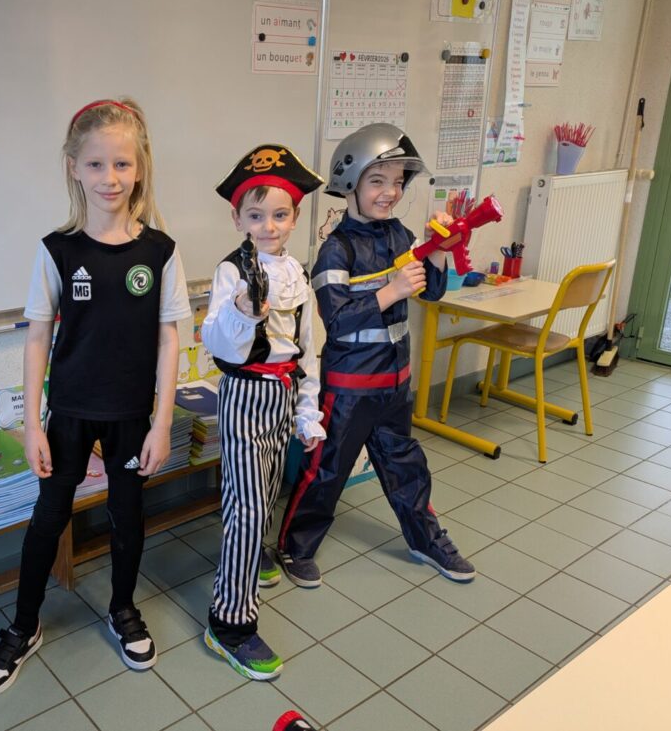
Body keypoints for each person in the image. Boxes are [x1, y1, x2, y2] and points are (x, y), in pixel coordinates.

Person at [0, 98, 191, 697]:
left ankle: (123, 609)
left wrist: (161, 422)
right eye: (95, 164)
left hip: (132, 415)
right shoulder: (58, 250)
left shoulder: (161, 251)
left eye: (122, 164)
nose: (109, 178)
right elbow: (37, 338)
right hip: (68, 413)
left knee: (128, 515)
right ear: (73, 167)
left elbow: (169, 338)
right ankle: (23, 626)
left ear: (139, 168)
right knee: (48, 517)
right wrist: (32, 425)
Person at [277, 123, 476, 587]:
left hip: (395, 384)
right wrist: (391, 291)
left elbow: (433, 291)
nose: (391, 192)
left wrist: (438, 251)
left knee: (408, 468)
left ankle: (425, 539)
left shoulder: (401, 235)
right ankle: (294, 547)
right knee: (326, 471)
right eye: (377, 181)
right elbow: (337, 320)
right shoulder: (336, 250)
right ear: (350, 182)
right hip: (349, 389)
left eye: (398, 182)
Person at [200, 145, 327, 680]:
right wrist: (242, 312)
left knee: (267, 488)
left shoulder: (297, 272)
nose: (268, 226)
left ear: (295, 217)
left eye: (279, 215)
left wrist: (307, 410)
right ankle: (229, 622)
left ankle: (252, 557)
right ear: (238, 218)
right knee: (247, 507)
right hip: (245, 393)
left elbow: (307, 348)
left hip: (283, 394)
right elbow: (216, 342)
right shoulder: (232, 272)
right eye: (256, 216)